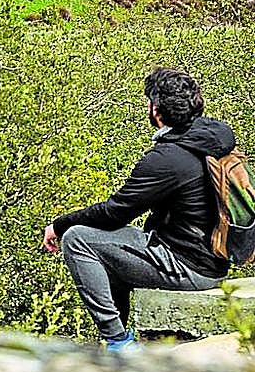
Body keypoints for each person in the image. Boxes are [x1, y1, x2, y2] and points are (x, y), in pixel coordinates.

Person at [42, 67, 233, 352]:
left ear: (156, 111)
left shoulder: (168, 158)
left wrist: (59, 226)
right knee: (112, 243)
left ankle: (118, 342)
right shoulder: (212, 137)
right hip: (212, 261)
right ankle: (122, 334)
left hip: (188, 268)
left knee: (79, 238)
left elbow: (115, 212)